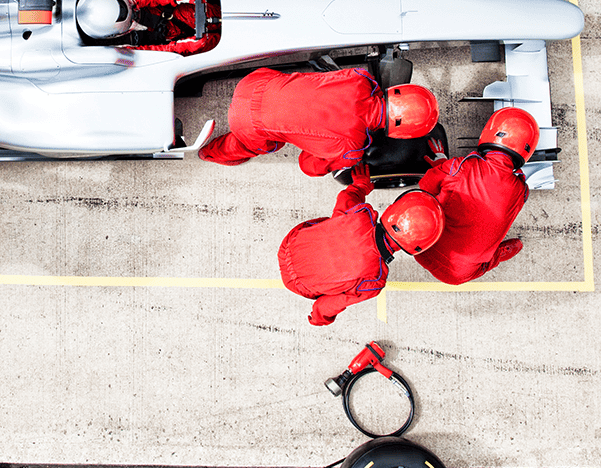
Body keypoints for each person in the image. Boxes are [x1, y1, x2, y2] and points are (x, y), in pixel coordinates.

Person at [277, 167, 444, 325]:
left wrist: (361, 185)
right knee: (339, 222)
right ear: (417, 247)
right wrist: (318, 318)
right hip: (298, 285)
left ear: (392, 210)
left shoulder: (361, 214)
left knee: (338, 219)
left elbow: (347, 198)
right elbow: (329, 304)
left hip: (287, 247)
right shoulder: (373, 281)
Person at [199, 66, 437, 176]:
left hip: (254, 81)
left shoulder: (360, 78)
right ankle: (208, 153)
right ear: (400, 133)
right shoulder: (351, 148)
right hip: (246, 124)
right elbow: (307, 165)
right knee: (273, 142)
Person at [412, 107, 538, 284]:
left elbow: (425, 186)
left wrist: (443, 166)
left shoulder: (459, 166)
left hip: (422, 248)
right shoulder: (521, 191)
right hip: (457, 276)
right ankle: (496, 256)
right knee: (486, 256)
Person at [72, 0, 219, 55]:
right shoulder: (124, 47)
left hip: (179, 15)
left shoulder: (126, 0)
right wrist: (184, 46)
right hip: (175, 39)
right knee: (210, 44)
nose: (134, 11)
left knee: (207, 13)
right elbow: (155, 53)